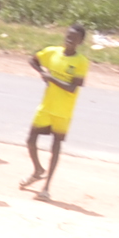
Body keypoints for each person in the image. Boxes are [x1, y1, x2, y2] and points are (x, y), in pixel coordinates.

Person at [22, 24, 90, 200]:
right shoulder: (52, 52)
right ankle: (38, 169)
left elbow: (72, 88)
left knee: (56, 147)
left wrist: (50, 77)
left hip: (63, 111)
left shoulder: (81, 62)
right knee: (30, 140)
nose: (70, 39)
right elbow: (33, 59)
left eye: (74, 37)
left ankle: (46, 187)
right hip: (46, 106)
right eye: (68, 35)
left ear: (80, 41)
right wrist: (41, 71)